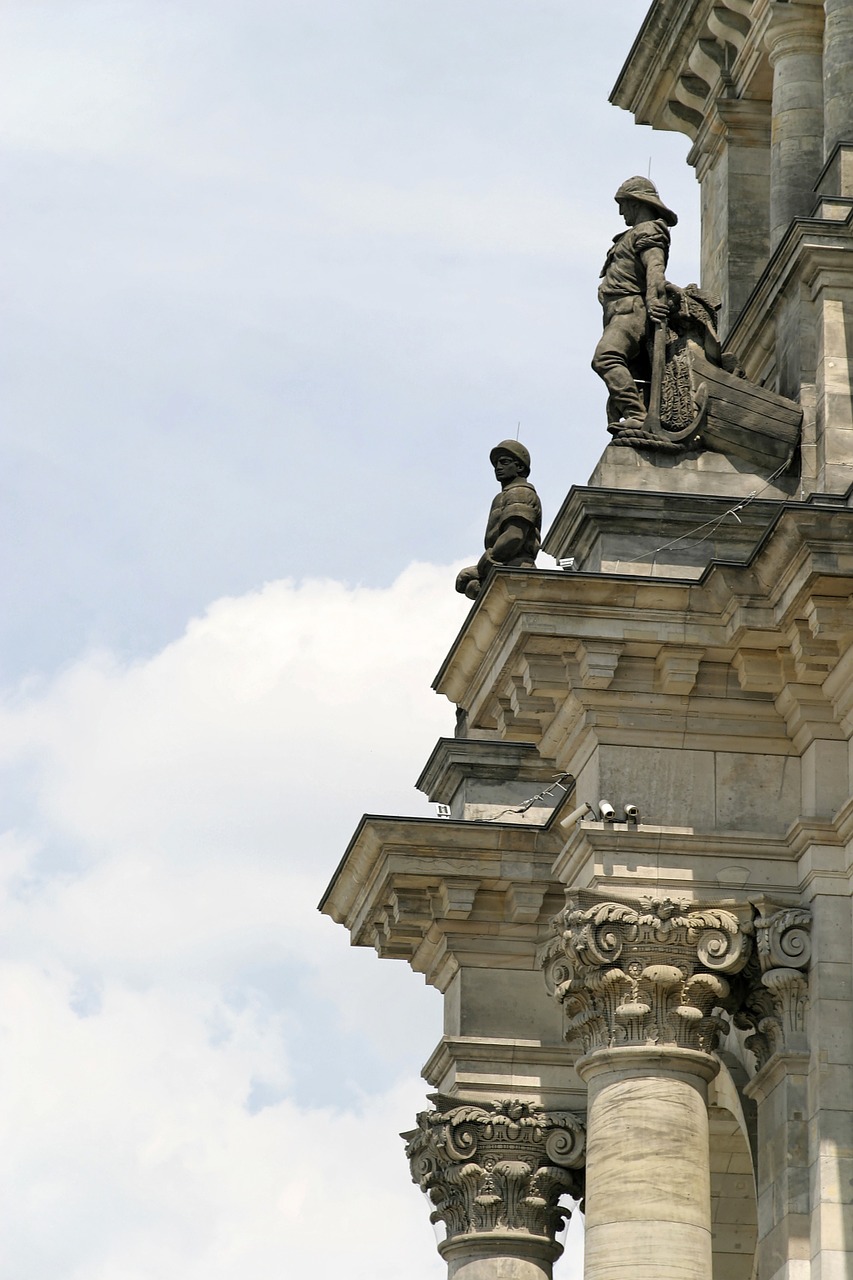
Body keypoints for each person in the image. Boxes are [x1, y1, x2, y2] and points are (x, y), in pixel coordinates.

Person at [592, 176, 678, 431]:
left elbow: (654, 265)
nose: (621, 212)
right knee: (633, 372)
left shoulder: (648, 229)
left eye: (624, 204)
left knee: (605, 358)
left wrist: (653, 298)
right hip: (616, 313)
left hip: (631, 310)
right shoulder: (630, 235)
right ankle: (636, 415)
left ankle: (636, 414)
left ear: (637, 202)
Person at [455, 441, 541, 600]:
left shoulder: (520, 492)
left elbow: (514, 536)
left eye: (505, 462)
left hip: (517, 569)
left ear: (520, 467)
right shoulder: (503, 497)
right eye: (496, 463)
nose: (498, 467)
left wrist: (482, 568)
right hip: (503, 567)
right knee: (471, 588)